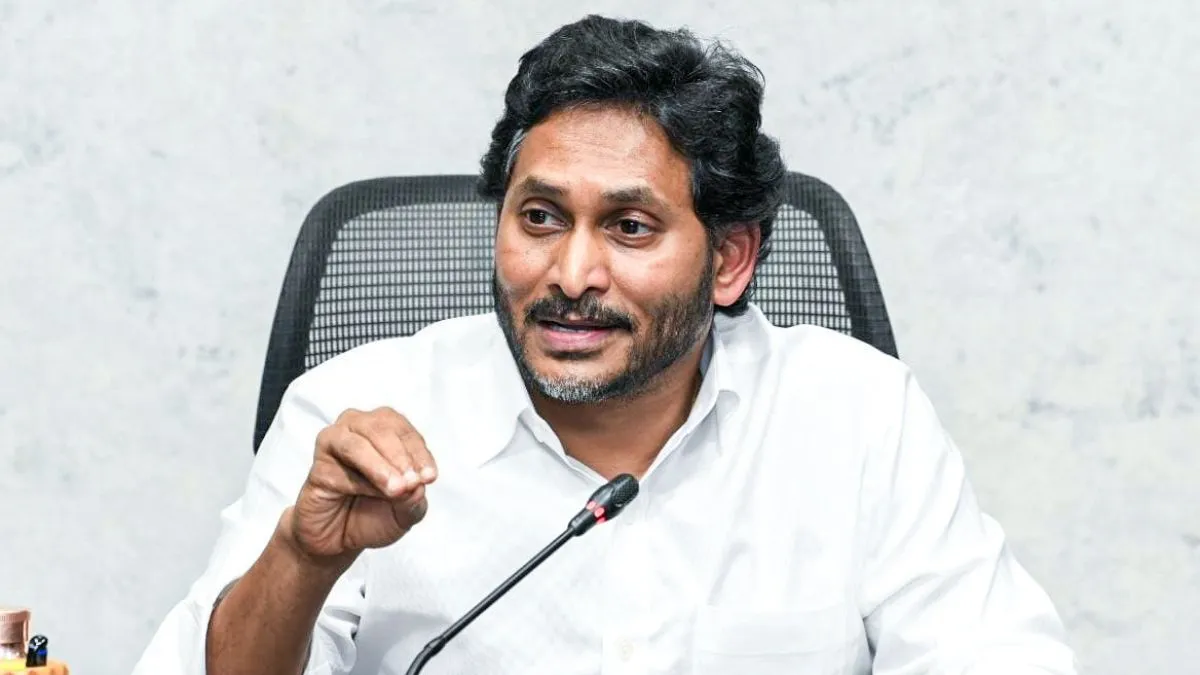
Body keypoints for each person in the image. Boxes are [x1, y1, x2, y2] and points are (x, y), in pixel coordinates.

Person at [133, 15, 1077, 675]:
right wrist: (302, 558)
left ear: (730, 259)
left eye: (629, 227)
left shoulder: (859, 416)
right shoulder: (356, 415)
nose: (571, 271)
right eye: (540, 217)